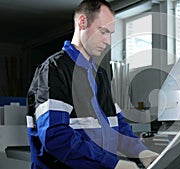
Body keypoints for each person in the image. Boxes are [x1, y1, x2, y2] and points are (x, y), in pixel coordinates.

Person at [26, 0, 158, 168]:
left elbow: (116, 124)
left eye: (110, 33)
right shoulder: (55, 70)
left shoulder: (100, 75)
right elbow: (56, 137)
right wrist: (112, 163)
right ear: (82, 22)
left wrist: (139, 151)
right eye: (103, 32)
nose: (108, 41)